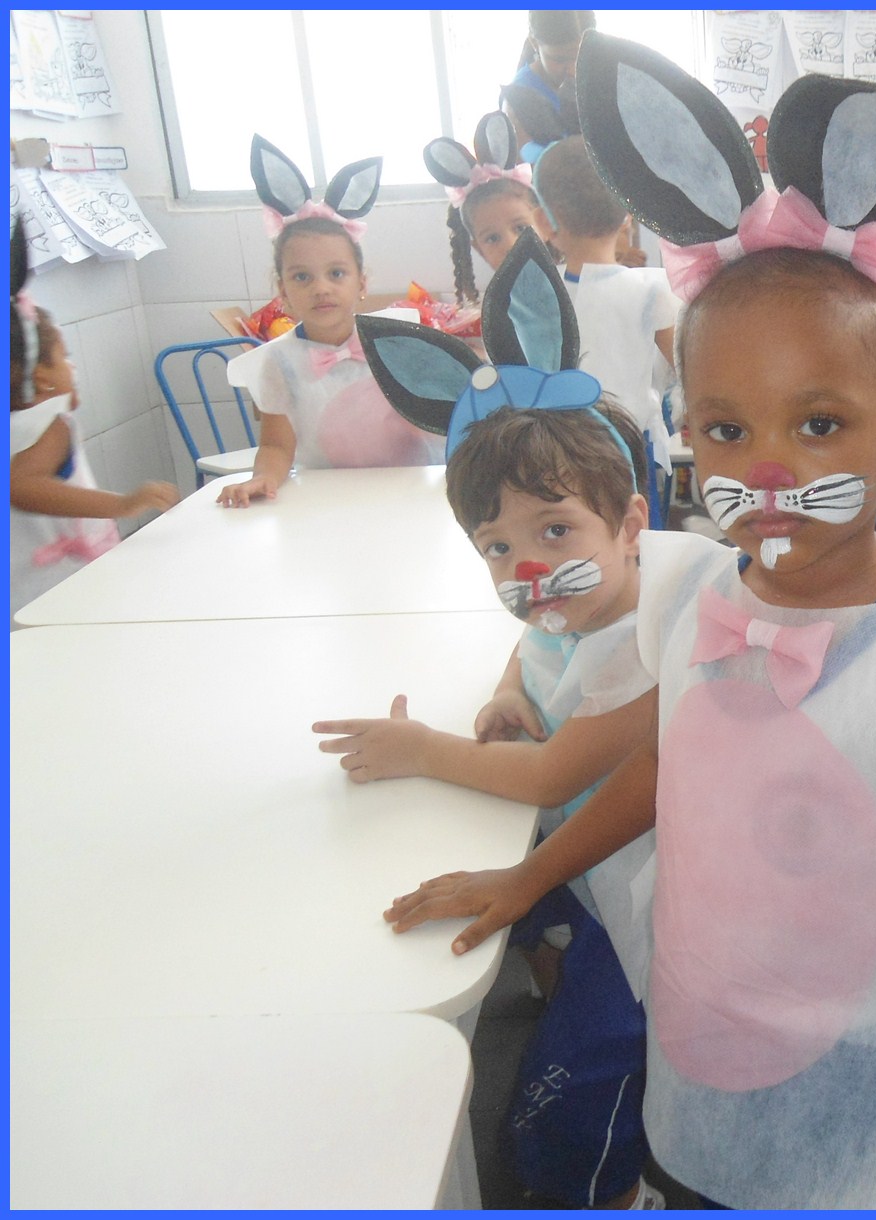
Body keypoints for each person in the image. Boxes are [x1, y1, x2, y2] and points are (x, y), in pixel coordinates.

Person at [382, 36, 876, 1211]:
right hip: (709, 1035)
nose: (771, 475)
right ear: (688, 434)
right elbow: (666, 760)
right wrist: (529, 875)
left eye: (820, 425)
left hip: (872, 1054)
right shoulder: (699, 595)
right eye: (730, 431)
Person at [318, 235, 708, 1209]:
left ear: (631, 524)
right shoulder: (573, 597)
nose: (526, 569)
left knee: (569, 1095)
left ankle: (616, 1181)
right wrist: (508, 693)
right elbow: (534, 642)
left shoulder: (652, 639)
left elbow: (548, 776)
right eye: (497, 547)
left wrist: (422, 748)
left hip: (658, 900)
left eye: (554, 530)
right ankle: (552, 962)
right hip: (579, 858)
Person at [219, 136, 442, 507]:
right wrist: (263, 479)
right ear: (283, 291)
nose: (321, 288)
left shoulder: (397, 342)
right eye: (302, 277)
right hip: (326, 500)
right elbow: (276, 446)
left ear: (362, 283)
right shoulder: (279, 362)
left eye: (336, 273)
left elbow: (438, 419)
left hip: (412, 491)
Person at [10, 223, 179, 626]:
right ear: (43, 378)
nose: (73, 367)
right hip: (61, 587)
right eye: (64, 357)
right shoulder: (52, 424)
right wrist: (121, 504)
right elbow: (19, 486)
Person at [532, 136, 677, 469]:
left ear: (543, 221)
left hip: (553, 452)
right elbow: (687, 369)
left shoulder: (535, 293)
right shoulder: (652, 290)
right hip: (630, 452)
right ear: (627, 214)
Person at [428, 111, 552, 307]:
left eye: (520, 228)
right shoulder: (498, 306)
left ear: (544, 224)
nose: (510, 245)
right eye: (492, 238)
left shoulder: (573, 289)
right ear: (479, 249)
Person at [510, 10, 595, 136]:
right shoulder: (518, 102)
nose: (573, 70)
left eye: (581, 56)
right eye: (560, 60)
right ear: (534, 43)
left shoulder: (602, 74)